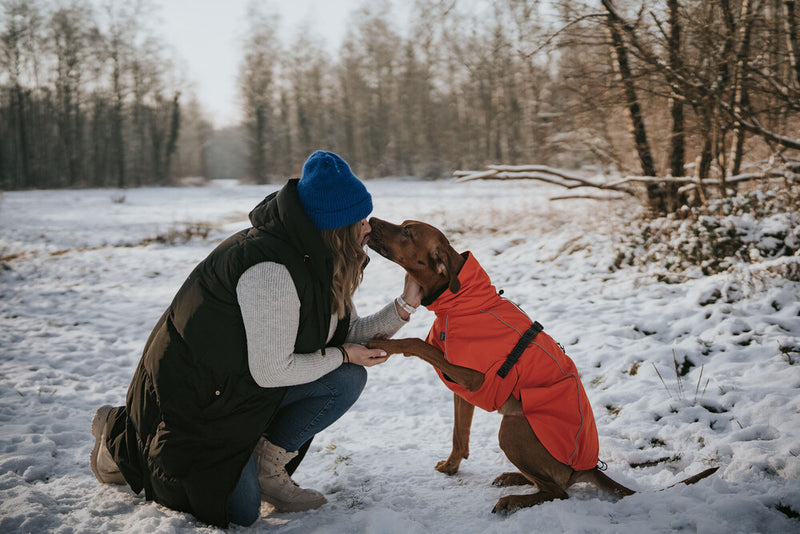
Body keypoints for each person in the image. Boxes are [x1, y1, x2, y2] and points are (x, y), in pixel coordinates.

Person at [89, 150, 423, 528]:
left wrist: (404, 306)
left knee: (346, 377)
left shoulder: (319, 260)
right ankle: (118, 436)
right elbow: (273, 369)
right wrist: (344, 354)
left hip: (241, 390)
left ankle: (267, 468)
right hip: (195, 406)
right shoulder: (271, 270)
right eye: (360, 220)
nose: (369, 227)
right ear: (336, 227)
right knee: (239, 512)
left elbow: (342, 337)